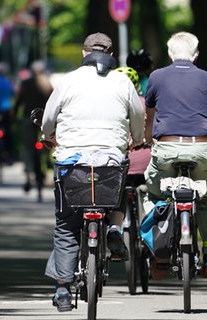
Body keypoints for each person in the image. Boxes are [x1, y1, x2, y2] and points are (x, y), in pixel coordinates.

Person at [41, 32, 144, 312]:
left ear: (84, 53)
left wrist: (48, 134)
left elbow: (49, 119)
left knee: (66, 224)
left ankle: (63, 290)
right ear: (111, 54)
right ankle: (113, 227)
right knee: (118, 187)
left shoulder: (69, 80)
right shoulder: (123, 82)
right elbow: (138, 118)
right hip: (110, 161)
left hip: (72, 164)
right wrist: (136, 138)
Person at [143, 31, 207, 279]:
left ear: (170, 54)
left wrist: (148, 140)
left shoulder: (156, 77)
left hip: (167, 149)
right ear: (196, 54)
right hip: (201, 148)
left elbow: (149, 117)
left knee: (153, 192)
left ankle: (159, 251)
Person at [13, 60, 53, 193]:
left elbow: (18, 101)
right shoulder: (47, 83)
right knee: (47, 142)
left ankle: (29, 173)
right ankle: (45, 162)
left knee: (28, 146)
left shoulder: (26, 83)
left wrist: (13, 116)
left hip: (28, 119)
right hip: (44, 120)